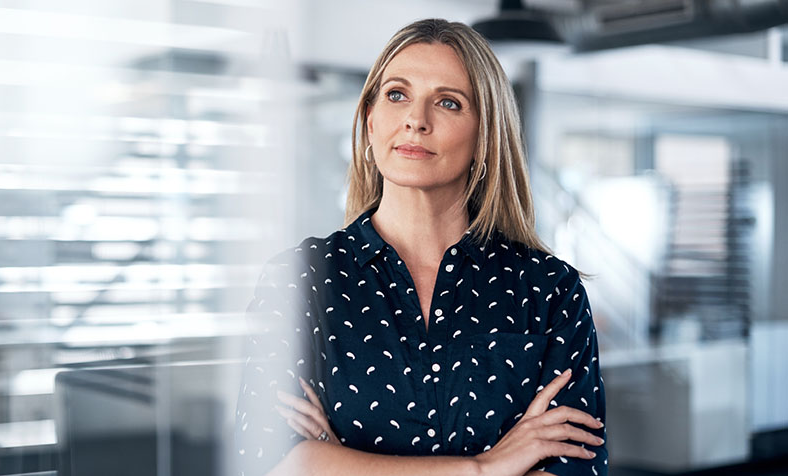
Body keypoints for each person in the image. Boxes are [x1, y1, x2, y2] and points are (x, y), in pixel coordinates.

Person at [235, 18, 607, 476]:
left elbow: (573, 469)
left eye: (448, 103)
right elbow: (271, 464)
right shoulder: (300, 279)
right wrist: (486, 468)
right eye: (397, 95)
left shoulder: (549, 291)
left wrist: (340, 463)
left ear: (486, 138)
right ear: (370, 123)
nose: (416, 119)